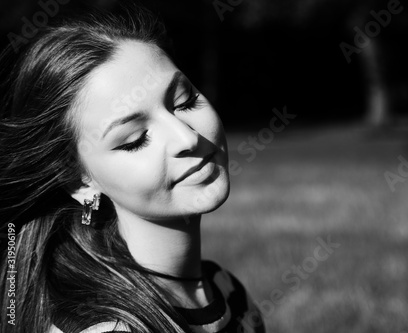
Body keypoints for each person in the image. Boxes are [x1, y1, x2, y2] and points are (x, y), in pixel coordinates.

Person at [0, 4, 265, 333]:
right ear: (78, 179)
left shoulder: (228, 292)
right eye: (135, 139)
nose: (187, 137)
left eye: (184, 102)